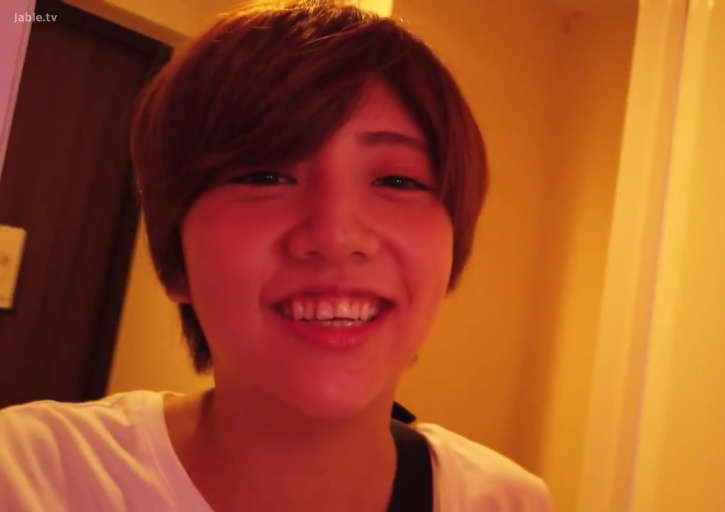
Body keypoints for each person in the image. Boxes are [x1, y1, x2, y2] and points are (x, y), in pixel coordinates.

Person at [0, 1, 553, 510]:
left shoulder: (504, 501)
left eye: (397, 180)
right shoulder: (28, 476)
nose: (335, 235)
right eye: (265, 175)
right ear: (176, 257)